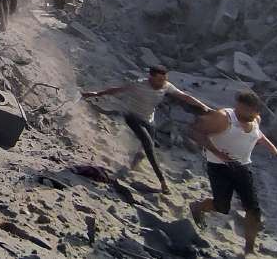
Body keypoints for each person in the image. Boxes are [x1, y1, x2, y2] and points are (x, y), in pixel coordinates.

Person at [81, 66, 212, 194]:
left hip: (149, 120)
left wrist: (204, 106)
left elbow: (185, 97)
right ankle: (162, 182)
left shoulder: (166, 86)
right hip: (132, 117)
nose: (162, 83)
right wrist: (97, 93)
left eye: (164, 79)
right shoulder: (139, 84)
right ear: (151, 78)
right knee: (149, 145)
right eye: (159, 80)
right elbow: (118, 89)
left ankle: (130, 167)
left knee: (143, 151)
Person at [188, 90, 277, 256]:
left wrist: (271, 147)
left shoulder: (256, 119)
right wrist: (218, 154)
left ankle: (249, 251)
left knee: (253, 209)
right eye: (245, 111)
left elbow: (258, 134)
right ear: (238, 106)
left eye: (253, 112)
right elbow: (195, 132)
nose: (251, 115)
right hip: (219, 167)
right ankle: (197, 206)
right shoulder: (223, 118)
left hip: (243, 166)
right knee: (222, 206)